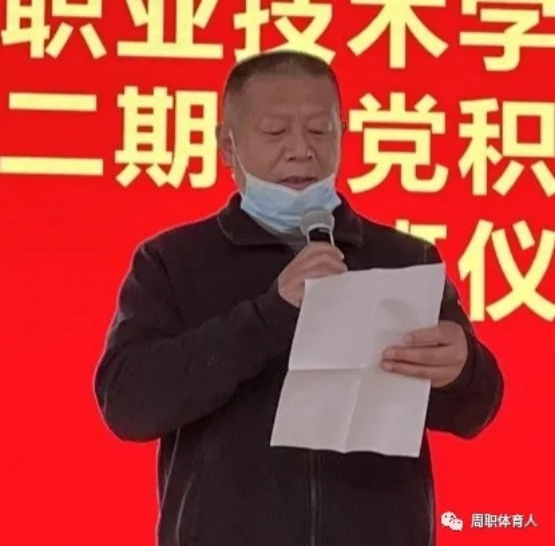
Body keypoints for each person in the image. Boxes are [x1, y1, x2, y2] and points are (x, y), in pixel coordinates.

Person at [94, 50, 504, 546]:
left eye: (319, 130)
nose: (301, 150)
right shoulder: (173, 261)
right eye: (275, 132)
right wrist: (269, 316)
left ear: (343, 134)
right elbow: (129, 404)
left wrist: (463, 369)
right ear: (227, 145)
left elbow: (474, 410)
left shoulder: (404, 257)